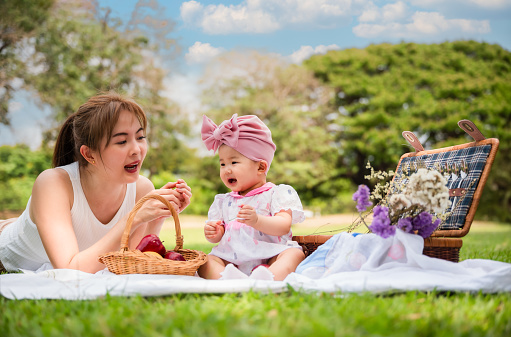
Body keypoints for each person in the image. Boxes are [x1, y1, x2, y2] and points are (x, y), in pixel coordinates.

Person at [0, 92, 191, 274]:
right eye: (122, 141)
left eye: (140, 137)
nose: (137, 150)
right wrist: (133, 217)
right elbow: (69, 271)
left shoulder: (142, 188)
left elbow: (128, 260)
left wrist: (157, 215)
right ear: (89, 154)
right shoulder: (53, 183)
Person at [198, 113, 306, 281]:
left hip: (270, 255)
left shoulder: (276, 194)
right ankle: (227, 278)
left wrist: (257, 221)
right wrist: (214, 232)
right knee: (205, 261)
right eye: (222, 164)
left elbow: (284, 225)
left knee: (294, 254)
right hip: (232, 260)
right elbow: (218, 237)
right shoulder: (223, 201)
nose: (227, 169)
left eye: (234, 162)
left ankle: (267, 277)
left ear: (261, 167)